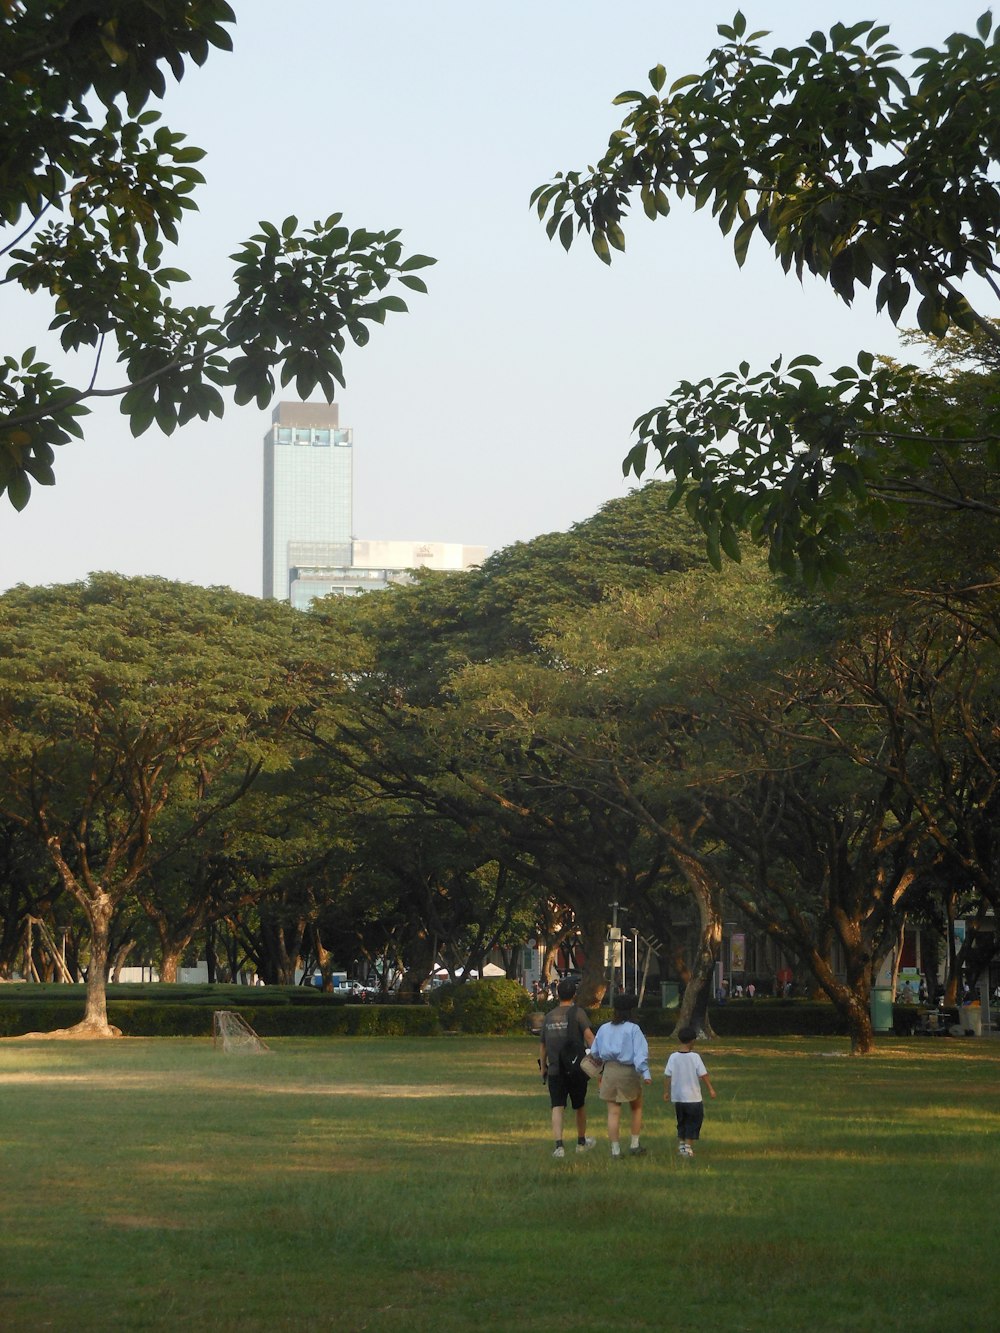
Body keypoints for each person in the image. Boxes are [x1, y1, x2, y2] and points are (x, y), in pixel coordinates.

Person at [538, 978, 597, 1158]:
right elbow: (589, 1038)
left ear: (557, 994)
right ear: (574, 995)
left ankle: (559, 1147)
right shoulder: (578, 1013)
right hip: (576, 1069)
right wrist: (597, 1061)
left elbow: (543, 1046)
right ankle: (581, 1142)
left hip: (556, 1070)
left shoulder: (548, 1017)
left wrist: (543, 1068)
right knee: (579, 1105)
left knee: (557, 1106)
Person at [589, 991, 652, 1158]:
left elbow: (594, 1052)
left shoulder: (604, 1028)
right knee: (636, 1107)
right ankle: (634, 1144)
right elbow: (640, 1054)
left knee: (613, 1112)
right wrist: (645, 1073)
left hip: (609, 1071)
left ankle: (615, 1150)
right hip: (628, 1071)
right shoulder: (633, 1029)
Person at [664, 1025, 716, 1158]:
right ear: (692, 1041)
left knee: (681, 1121)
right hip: (693, 1097)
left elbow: (667, 1076)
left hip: (678, 1097)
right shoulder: (695, 1057)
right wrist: (710, 1088)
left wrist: (666, 1092)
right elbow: (703, 1074)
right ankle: (687, 1147)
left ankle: (682, 1145)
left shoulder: (673, 1057)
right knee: (694, 1121)